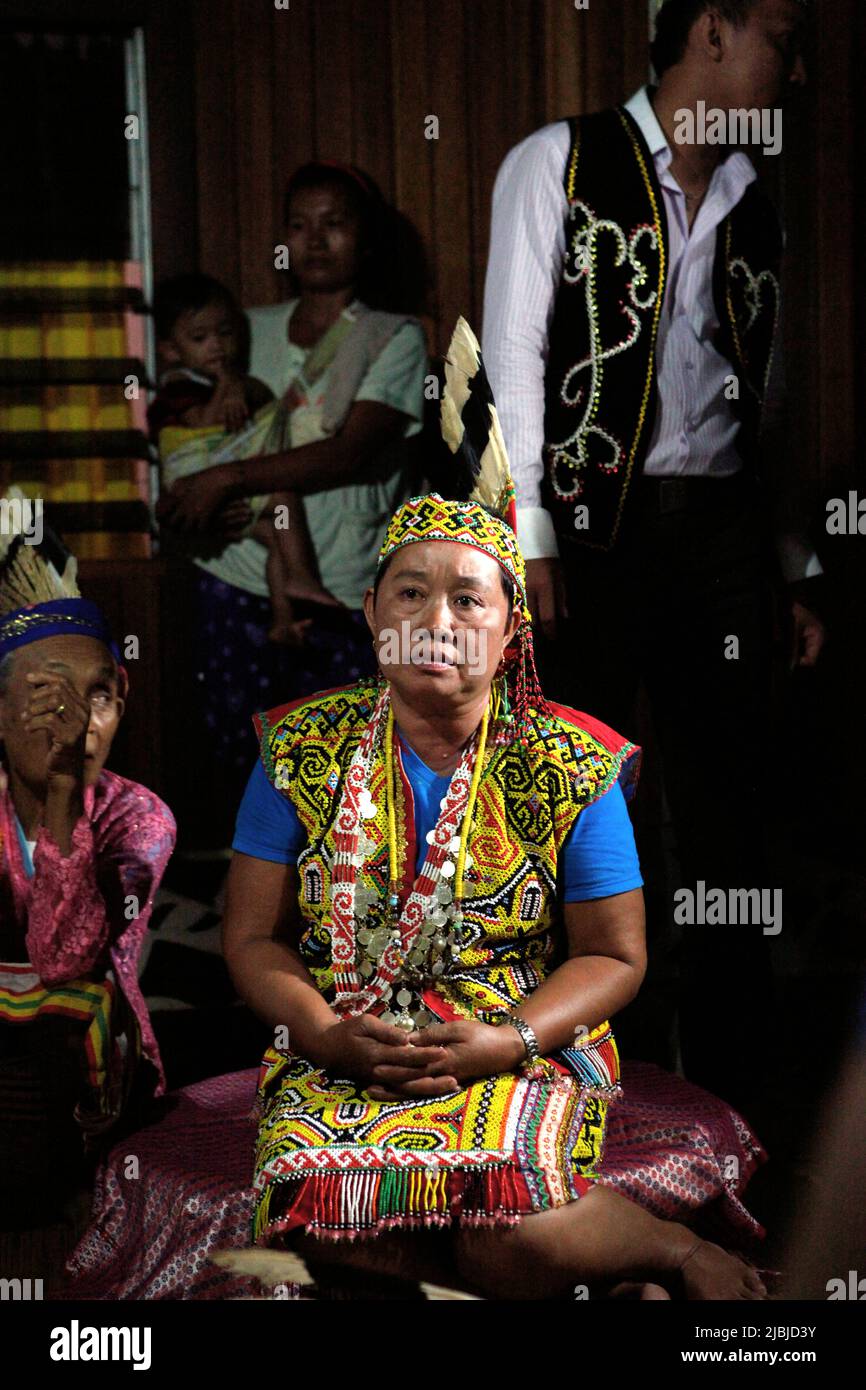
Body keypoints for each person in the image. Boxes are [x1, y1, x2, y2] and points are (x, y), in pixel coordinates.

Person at [221, 321, 768, 1300]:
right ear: (371, 613)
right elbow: (252, 940)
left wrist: (504, 1039)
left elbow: (613, 954)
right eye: (410, 593)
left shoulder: (568, 760)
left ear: (510, 625)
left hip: (513, 1035)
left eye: (468, 600)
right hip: (349, 1033)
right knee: (326, 1212)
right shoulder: (300, 748)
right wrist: (326, 1034)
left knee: (499, 1233)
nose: (436, 619)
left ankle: (672, 1252)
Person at [481, 0, 823, 1116]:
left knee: (729, 805)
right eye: (779, 32)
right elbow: (514, 359)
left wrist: (785, 564)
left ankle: (731, 1088)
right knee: (585, 801)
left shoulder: (752, 206)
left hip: (717, 534)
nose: (797, 63)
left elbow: (756, 406)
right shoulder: (559, 162)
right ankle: (580, 1074)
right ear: (710, 33)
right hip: (590, 537)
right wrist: (530, 533)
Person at [157, 164, 428, 840]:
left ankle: (339, 925)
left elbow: (349, 452)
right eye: (299, 225)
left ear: (364, 240)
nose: (314, 240)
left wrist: (226, 479)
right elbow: (188, 414)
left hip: (340, 588)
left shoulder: (394, 336)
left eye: (333, 224)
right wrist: (187, 484)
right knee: (243, 756)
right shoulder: (246, 327)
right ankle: (250, 922)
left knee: (345, 771)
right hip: (237, 573)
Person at [0, 502, 176, 1224]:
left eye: (98, 694)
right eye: (47, 692)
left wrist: (66, 789)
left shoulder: (140, 819)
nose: (78, 719)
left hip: (78, 1073)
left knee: (62, 1010)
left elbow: (63, 957)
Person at [149, 271, 337, 646]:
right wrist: (227, 387)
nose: (216, 346)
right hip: (195, 477)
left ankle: (283, 620)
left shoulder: (227, 380)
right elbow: (205, 424)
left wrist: (235, 385)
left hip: (221, 482)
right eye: (200, 338)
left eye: (225, 333)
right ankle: (302, 576)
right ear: (170, 350)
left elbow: (264, 402)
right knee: (282, 497)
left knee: (274, 534)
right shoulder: (179, 384)